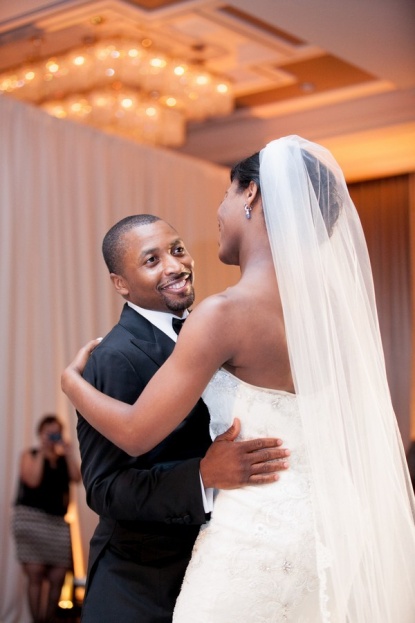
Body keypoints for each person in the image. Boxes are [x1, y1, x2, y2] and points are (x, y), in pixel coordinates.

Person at [62, 136, 415, 622]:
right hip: (321, 540)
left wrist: (71, 384)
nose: (220, 210)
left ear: (251, 195)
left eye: (227, 194)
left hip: (252, 541)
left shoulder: (223, 314)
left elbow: (136, 431)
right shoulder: (329, 316)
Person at [75, 214, 290, 623]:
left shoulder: (216, 332)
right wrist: (202, 476)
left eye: (177, 250)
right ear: (121, 283)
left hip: (222, 567)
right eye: (151, 260)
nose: (175, 266)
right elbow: (104, 488)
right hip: (141, 583)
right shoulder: (114, 357)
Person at [11, 414, 81, 623]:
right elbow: (32, 480)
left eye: (56, 432)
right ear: (40, 434)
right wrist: (43, 451)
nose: (52, 436)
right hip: (31, 521)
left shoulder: (62, 461)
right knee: (35, 573)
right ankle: (36, 620)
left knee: (59, 576)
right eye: (48, 433)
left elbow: (77, 478)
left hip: (57, 523)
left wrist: (68, 454)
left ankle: (48, 619)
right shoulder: (29, 455)